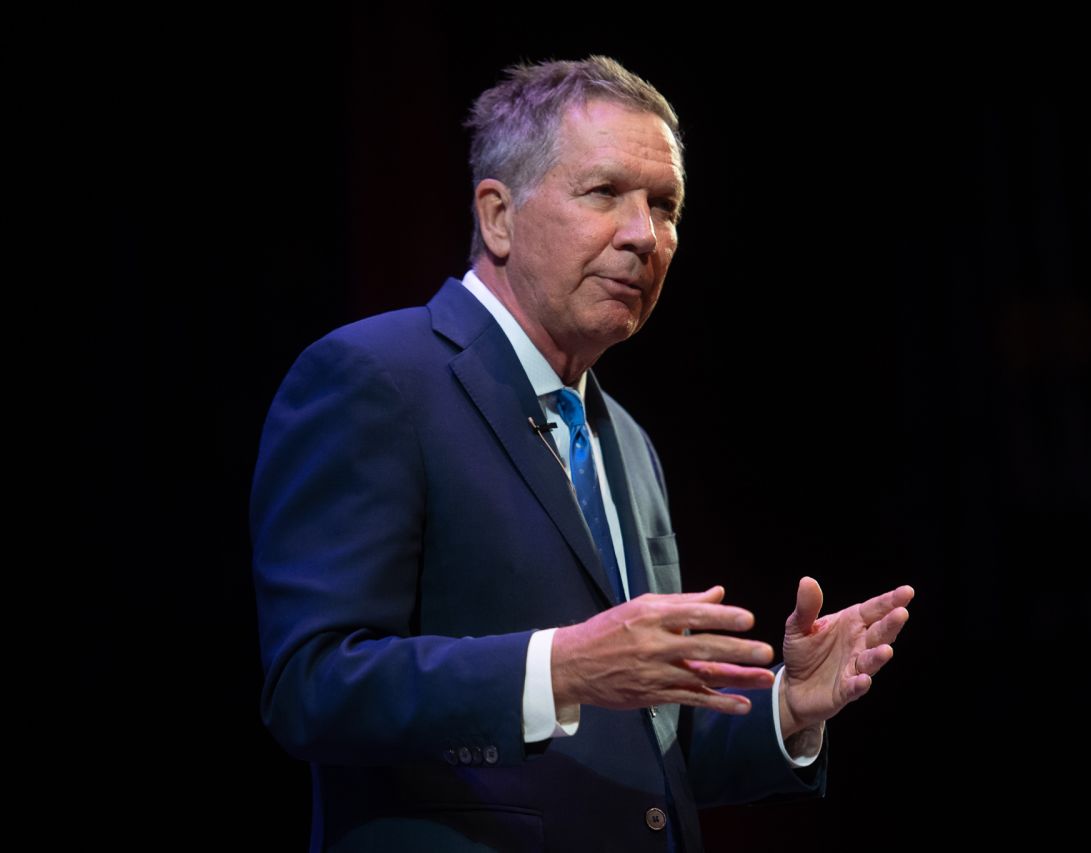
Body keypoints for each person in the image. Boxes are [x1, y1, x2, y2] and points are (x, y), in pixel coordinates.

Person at [251, 56, 914, 853]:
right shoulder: (375, 379)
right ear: (497, 216)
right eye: (605, 194)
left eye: (664, 205)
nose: (645, 235)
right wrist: (560, 666)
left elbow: (644, 745)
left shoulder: (626, 440)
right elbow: (313, 687)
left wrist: (788, 709)